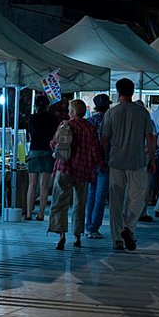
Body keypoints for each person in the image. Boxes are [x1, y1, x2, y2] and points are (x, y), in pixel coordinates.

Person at [101, 78, 156, 252]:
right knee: (138, 198)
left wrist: (103, 158)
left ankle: (117, 239)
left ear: (118, 92)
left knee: (115, 202)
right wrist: (152, 159)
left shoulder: (111, 113)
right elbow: (150, 137)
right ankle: (129, 227)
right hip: (137, 161)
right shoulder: (142, 112)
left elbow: (104, 139)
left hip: (116, 161)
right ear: (132, 92)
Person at [47, 99, 103, 250]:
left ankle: (61, 236)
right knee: (80, 203)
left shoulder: (66, 125)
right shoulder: (89, 128)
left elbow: (53, 144)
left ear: (72, 111)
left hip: (64, 168)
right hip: (83, 170)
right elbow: (94, 150)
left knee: (60, 202)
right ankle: (77, 236)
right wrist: (99, 164)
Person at [25, 94, 58, 221]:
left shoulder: (32, 118)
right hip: (48, 152)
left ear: (35, 106)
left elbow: (30, 134)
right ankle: (41, 214)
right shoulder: (53, 119)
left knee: (32, 184)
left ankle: (28, 213)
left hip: (34, 151)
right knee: (44, 186)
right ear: (48, 106)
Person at [84, 93, 111, 239]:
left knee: (91, 194)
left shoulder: (89, 121)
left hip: (90, 162)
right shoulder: (109, 121)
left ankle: (88, 226)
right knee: (100, 196)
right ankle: (94, 227)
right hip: (105, 162)